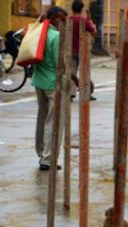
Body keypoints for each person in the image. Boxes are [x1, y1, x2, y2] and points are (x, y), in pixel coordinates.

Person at [32, 6, 67, 171]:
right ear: (53, 19)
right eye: (61, 19)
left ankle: (41, 152)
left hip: (39, 81)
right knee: (54, 121)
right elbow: (61, 64)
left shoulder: (40, 32)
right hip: (53, 83)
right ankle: (48, 158)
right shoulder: (56, 36)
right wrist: (68, 82)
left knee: (42, 118)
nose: (63, 23)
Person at [69, 1, 97, 100]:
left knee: (71, 72)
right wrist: (90, 20)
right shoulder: (84, 21)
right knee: (85, 72)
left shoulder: (68, 20)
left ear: (72, 8)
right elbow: (94, 32)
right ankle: (87, 92)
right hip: (83, 50)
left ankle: (71, 93)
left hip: (70, 50)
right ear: (81, 9)